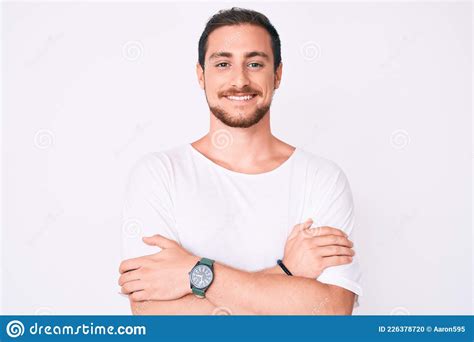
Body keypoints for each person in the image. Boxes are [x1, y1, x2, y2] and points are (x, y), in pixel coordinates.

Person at [118, 7, 362, 315]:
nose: (240, 80)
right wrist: (286, 272)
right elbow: (155, 315)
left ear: (278, 74)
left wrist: (193, 275)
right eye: (223, 63)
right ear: (200, 75)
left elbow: (331, 312)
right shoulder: (158, 174)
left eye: (255, 63)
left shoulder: (322, 178)